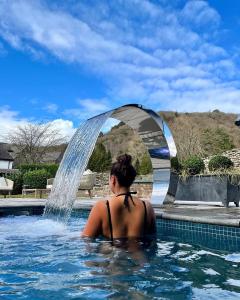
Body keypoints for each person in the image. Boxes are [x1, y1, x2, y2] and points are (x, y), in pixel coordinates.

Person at [81, 154, 156, 241]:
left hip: (112, 253)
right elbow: (152, 240)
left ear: (113, 179)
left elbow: (86, 240)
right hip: (139, 254)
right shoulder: (147, 207)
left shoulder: (102, 207)